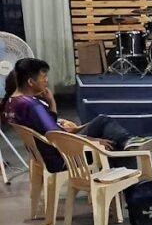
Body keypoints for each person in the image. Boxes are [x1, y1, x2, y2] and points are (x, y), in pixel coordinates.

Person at [1, 57, 139, 172]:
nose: (46, 80)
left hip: (47, 154)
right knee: (111, 141)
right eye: (43, 77)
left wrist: (51, 105)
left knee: (103, 124)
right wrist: (92, 141)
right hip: (63, 157)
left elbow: (48, 128)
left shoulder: (13, 101)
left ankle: (128, 144)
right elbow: (57, 136)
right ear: (30, 82)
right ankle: (133, 188)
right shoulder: (31, 105)